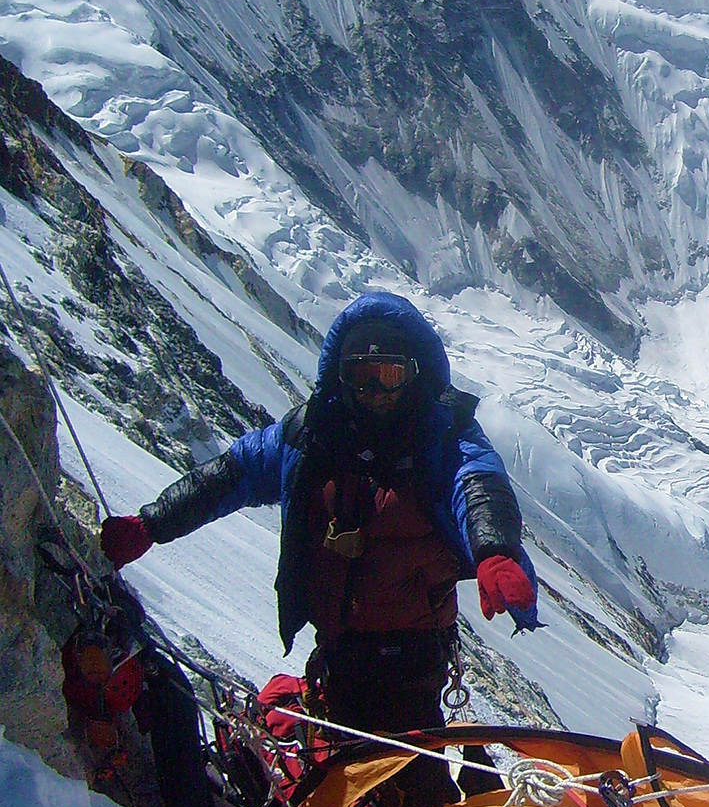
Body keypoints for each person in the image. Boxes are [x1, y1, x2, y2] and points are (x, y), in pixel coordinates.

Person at [99, 292, 539, 766]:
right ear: (342, 378)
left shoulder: (443, 437)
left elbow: (477, 485)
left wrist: (495, 550)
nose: (377, 393)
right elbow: (233, 473)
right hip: (339, 653)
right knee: (353, 783)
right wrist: (153, 523)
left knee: (395, 785)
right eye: (362, 378)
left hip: (413, 664)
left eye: (390, 376)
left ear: (415, 374)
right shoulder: (311, 435)